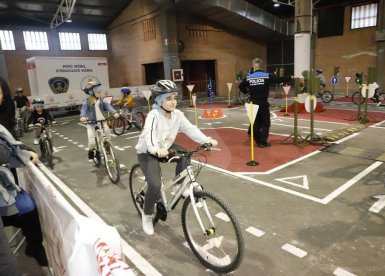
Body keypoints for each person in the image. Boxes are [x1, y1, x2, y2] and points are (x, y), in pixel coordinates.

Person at [135, 80, 218, 235]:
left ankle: (177, 187)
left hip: (165, 147)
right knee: (154, 184)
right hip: (148, 151)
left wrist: (206, 140)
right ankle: (147, 215)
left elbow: (190, 129)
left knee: (186, 155)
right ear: (159, 100)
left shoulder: (177, 115)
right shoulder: (154, 115)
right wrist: (155, 149)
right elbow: (149, 135)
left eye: (174, 97)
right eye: (168, 98)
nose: (173, 102)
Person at [0, 76, 47, 270]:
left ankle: (34, 246)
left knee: (28, 207)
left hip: (5, 186)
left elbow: (10, 141)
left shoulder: (7, 111)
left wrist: (26, 150)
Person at [238, 58, 292, 148]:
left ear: (253, 66)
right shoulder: (267, 75)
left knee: (255, 123)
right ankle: (263, 142)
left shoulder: (249, 77)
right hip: (263, 103)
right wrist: (291, 77)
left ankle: (258, 141)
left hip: (253, 102)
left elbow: (240, 86)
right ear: (262, 66)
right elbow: (279, 79)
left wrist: (247, 92)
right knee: (266, 123)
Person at [80, 81, 120, 160]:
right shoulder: (87, 101)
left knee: (107, 133)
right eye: (97, 91)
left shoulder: (101, 101)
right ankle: (91, 150)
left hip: (102, 122)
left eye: (99, 90)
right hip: (91, 123)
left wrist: (115, 113)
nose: (100, 92)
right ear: (91, 92)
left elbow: (108, 107)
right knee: (92, 142)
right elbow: (83, 109)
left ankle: (107, 145)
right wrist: (82, 117)